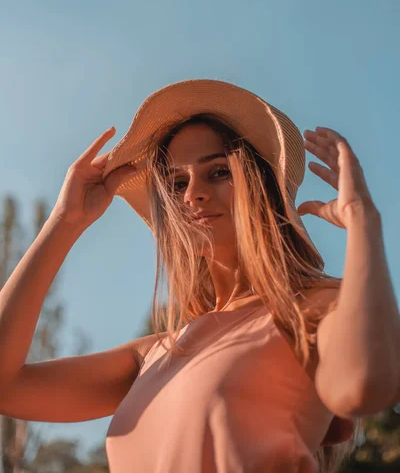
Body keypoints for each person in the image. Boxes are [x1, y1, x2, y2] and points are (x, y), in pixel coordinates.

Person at [0, 79, 398, 473]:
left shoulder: (313, 307)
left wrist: (365, 221)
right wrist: (65, 222)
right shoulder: (156, 354)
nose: (192, 195)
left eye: (219, 171)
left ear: (264, 187)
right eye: (176, 183)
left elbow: (365, 387)